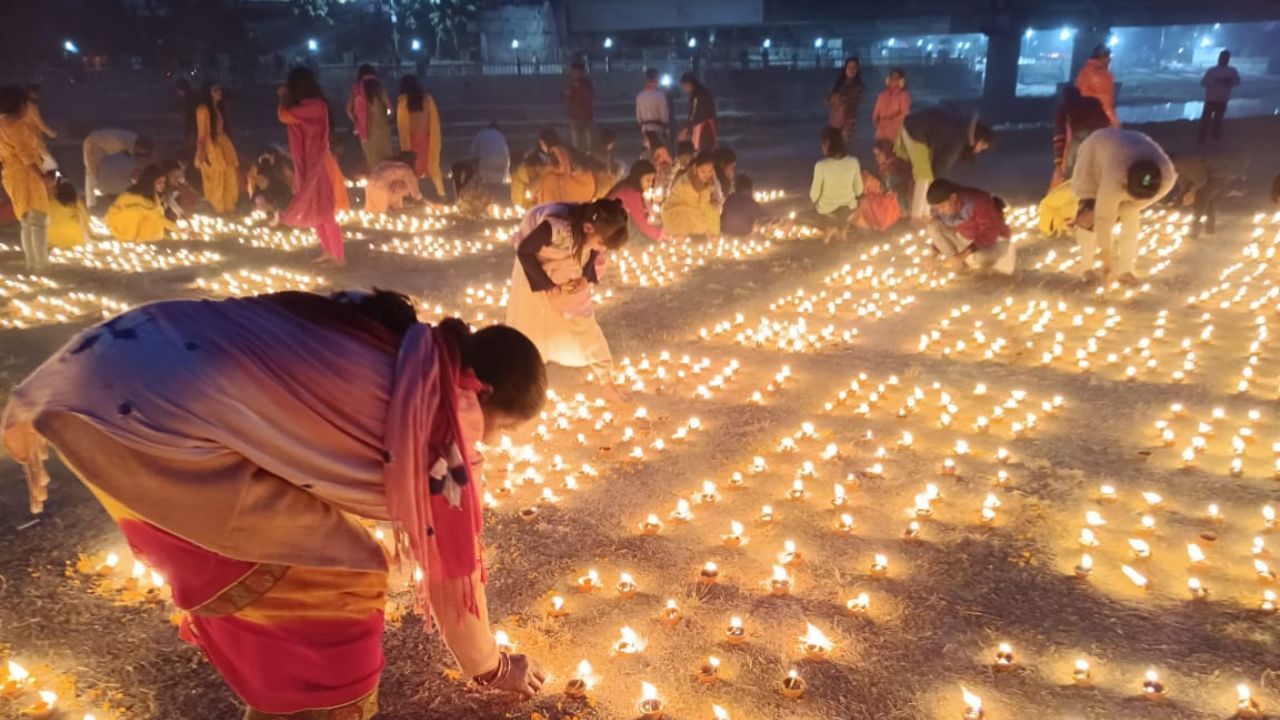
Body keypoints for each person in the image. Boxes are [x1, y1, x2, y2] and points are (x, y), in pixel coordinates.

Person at [2, 290, 551, 718]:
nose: (486, 446)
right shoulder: (440, 427)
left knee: (323, 554)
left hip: (109, 360)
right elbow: (454, 585)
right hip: (145, 426)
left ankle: (286, 699)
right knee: (338, 575)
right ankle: (307, 708)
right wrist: (491, 668)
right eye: (496, 432)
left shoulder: (408, 345)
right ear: (480, 393)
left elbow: (300, 422)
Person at [505, 200, 630, 400]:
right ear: (588, 228)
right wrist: (546, 284)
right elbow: (525, 251)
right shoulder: (554, 228)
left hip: (569, 270)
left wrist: (586, 278)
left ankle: (606, 381)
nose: (601, 250)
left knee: (582, 320)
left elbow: (594, 252)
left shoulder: (591, 234)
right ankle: (521, 378)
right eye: (600, 243)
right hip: (537, 266)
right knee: (532, 321)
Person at [1071, 127, 1175, 285]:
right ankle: (1086, 267)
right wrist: (1106, 262)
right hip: (1096, 150)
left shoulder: (1167, 176)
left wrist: (1129, 206)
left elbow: (1141, 203)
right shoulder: (1115, 175)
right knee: (1088, 218)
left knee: (1132, 214)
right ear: (1125, 184)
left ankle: (1126, 270)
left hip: (1124, 148)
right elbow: (1104, 218)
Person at [279, 67, 350, 265]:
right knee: (315, 209)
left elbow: (284, 115)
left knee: (326, 211)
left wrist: (283, 97)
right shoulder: (306, 106)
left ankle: (339, 255)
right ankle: (327, 250)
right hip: (310, 162)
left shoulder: (316, 106)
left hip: (320, 163)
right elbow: (287, 116)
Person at [895, 107, 994, 220]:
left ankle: (925, 213)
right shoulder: (958, 139)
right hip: (914, 131)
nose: (979, 150)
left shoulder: (963, 131)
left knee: (927, 176)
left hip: (918, 130)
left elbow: (939, 163)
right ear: (977, 138)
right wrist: (942, 190)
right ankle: (917, 217)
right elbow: (940, 166)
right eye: (982, 146)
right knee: (923, 176)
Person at [0, 86, 51, 269]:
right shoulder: (16, 125)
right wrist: (42, 177)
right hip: (26, 175)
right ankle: (41, 265)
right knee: (37, 220)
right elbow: (26, 154)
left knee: (27, 220)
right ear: (20, 104)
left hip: (10, 175)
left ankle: (32, 264)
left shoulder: (2, 123)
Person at [925, 178, 1015, 274]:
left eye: (942, 206)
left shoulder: (978, 202)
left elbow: (989, 234)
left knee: (981, 257)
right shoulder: (946, 210)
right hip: (970, 240)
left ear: (953, 198)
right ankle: (960, 265)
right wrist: (934, 255)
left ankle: (993, 260)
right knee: (933, 226)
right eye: (937, 208)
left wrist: (962, 255)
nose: (940, 211)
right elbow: (939, 232)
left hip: (995, 241)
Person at [1171, 146, 1247, 237]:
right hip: (1214, 175)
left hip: (1225, 172)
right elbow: (1185, 188)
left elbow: (1201, 180)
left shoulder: (1184, 164)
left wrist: (1192, 192)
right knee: (1206, 196)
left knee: (1202, 195)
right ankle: (1209, 227)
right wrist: (1175, 206)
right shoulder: (1179, 171)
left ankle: (1195, 228)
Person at [194, 82, 240, 214]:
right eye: (215, 90)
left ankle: (229, 209)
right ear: (208, 93)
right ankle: (219, 211)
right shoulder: (202, 109)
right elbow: (202, 134)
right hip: (212, 149)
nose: (219, 92)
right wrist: (202, 153)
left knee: (229, 178)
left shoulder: (218, 107)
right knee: (217, 181)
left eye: (219, 89)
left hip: (223, 145)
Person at [1051, 85, 1111, 186]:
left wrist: (1058, 161)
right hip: (1101, 135)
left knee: (1071, 168)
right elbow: (1106, 120)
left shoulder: (1066, 106)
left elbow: (1060, 133)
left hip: (1081, 136)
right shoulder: (1093, 101)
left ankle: (1068, 190)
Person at [809, 126, 863, 239]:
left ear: (827, 144)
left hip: (827, 212)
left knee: (807, 215)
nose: (821, 148)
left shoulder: (821, 166)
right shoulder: (853, 162)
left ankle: (832, 228)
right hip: (849, 211)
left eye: (822, 144)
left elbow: (813, 196)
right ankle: (841, 228)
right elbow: (859, 191)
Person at [396, 75, 445, 197]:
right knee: (429, 168)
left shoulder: (403, 102)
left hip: (411, 143)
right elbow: (433, 122)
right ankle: (438, 195)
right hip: (426, 141)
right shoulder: (427, 100)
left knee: (413, 170)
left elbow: (401, 126)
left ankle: (414, 195)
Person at [105, 164, 178, 242]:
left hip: (151, 240)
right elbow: (155, 216)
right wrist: (176, 228)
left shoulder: (155, 196)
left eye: (164, 182)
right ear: (150, 182)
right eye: (159, 183)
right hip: (133, 239)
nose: (163, 186)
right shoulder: (132, 197)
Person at [83, 129, 154, 208]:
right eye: (141, 152)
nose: (141, 154)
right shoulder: (122, 142)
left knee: (94, 174)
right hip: (92, 144)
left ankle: (92, 203)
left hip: (99, 145)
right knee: (91, 174)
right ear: (139, 147)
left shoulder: (132, 141)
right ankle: (91, 204)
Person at [662, 150, 721, 238]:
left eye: (710, 171)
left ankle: (711, 235)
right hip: (675, 214)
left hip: (689, 211)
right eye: (703, 171)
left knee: (712, 209)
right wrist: (707, 232)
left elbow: (707, 200)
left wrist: (714, 200)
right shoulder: (688, 185)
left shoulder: (708, 180)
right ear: (695, 168)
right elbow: (694, 211)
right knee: (702, 223)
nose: (707, 174)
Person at [536, 129, 596, 205]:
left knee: (550, 181)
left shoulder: (556, 149)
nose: (542, 147)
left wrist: (549, 169)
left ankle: (550, 205)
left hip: (580, 182)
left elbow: (565, 169)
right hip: (583, 182)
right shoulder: (559, 148)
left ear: (547, 142)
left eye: (542, 144)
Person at [606, 159, 661, 242]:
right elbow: (641, 222)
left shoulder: (629, 186)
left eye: (652, 180)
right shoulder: (631, 192)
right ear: (638, 178)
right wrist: (660, 235)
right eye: (648, 180)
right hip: (609, 227)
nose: (650, 184)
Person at [1200, 50, 1240, 144]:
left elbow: (1236, 81)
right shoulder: (1212, 70)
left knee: (1217, 120)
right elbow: (1203, 82)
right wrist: (1216, 82)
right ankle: (1202, 137)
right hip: (1211, 98)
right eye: (1222, 57)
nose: (1223, 59)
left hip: (1222, 99)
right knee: (1206, 119)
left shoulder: (1232, 71)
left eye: (1225, 58)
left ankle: (1214, 137)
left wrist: (1228, 82)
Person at [1076, 46, 1118, 127]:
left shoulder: (1085, 71)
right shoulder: (1101, 75)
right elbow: (1104, 101)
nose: (1110, 59)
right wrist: (1114, 122)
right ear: (1102, 57)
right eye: (1109, 56)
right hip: (1098, 120)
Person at [246, 148, 294, 218]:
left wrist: (273, 208)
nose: (259, 182)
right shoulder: (258, 189)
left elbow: (285, 203)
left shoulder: (282, 187)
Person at [827, 57, 864, 147]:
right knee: (832, 151)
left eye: (854, 67)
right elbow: (828, 100)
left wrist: (839, 99)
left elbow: (852, 104)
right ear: (845, 69)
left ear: (857, 70)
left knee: (843, 151)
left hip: (848, 126)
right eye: (849, 67)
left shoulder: (858, 87)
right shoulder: (837, 85)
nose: (851, 70)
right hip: (834, 123)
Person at [48, 179, 91, 249]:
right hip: (77, 239)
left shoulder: (49, 203)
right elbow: (86, 219)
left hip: (53, 240)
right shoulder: (76, 203)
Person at [679, 73, 717, 151]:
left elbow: (695, 113)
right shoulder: (702, 92)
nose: (683, 89)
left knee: (700, 150)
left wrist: (686, 128)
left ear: (689, 84)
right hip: (706, 126)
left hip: (703, 127)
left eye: (684, 86)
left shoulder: (697, 95)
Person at [875, 139, 913, 216]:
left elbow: (893, 188)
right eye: (875, 155)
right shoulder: (888, 166)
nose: (877, 157)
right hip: (901, 204)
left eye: (879, 154)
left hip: (903, 204)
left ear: (887, 152)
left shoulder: (892, 167)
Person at [872, 68, 911, 143]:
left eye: (896, 77)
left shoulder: (904, 95)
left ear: (901, 80)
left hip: (896, 134)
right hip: (881, 134)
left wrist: (888, 122)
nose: (893, 79)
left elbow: (905, 113)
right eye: (891, 76)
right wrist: (878, 125)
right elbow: (875, 114)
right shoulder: (881, 95)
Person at [565, 61, 595, 153]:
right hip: (574, 116)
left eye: (576, 72)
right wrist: (568, 95)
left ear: (581, 73)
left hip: (586, 116)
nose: (574, 74)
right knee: (575, 142)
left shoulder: (587, 83)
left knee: (588, 141)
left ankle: (589, 155)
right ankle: (577, 157)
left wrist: (579, 87)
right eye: (573, 72)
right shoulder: (571, 84)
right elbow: (569, 100)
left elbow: (589, 96)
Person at [471, 121, 510, 186]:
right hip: (502, 162)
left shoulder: (481, 134)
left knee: (485, 183)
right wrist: (506, 171)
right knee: (498, 184)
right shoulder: (501, 135)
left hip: (486, 161)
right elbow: (507, 154)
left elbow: (473, 153)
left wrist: (476, 171)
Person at [635, 68, 670, 140]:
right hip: (657, 128)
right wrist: (666, 129)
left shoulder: (640, 96)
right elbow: (664, 115)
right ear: (657, 78)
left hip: (645, 128)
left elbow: (638, 115)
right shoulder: (660, 96)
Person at [594, 128, 626, 198]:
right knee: (621, 166)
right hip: (600, 181)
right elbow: (606, 170)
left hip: (594, 178)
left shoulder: (598, 150)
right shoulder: (604, 154)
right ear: (610, 142)